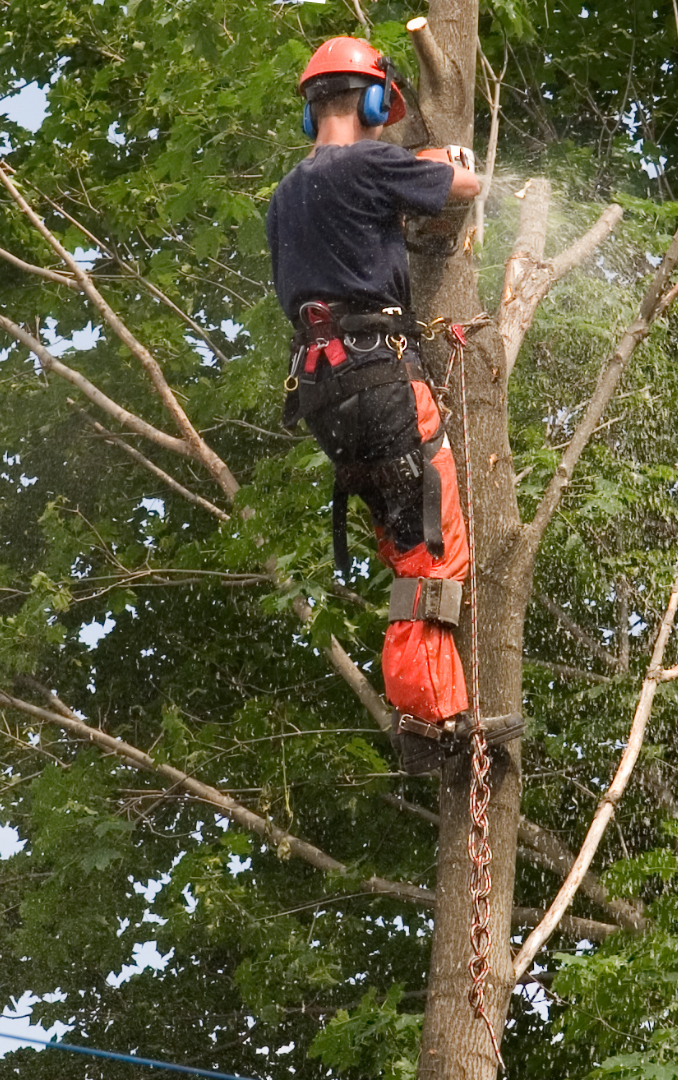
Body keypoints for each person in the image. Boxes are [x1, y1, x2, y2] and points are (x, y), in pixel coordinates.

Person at [266, 36, 519, 775]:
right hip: (378, 375)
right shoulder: (372, 163)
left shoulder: (288, 194)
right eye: (385, 112)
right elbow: (462, 190)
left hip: (322, 392)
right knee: (433, 549)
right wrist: (448, 162)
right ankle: (437, 725)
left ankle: (425, 710)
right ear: (375, 102)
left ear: (313, 113)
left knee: (406, 541)